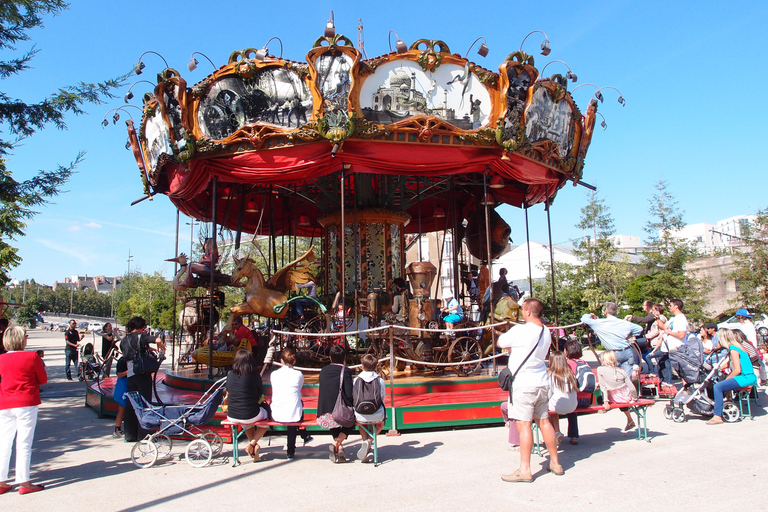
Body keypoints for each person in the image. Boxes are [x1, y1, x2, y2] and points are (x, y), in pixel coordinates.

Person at [497, 298, 562, 482]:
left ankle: (525, 469)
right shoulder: (546, 331)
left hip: (523, 384)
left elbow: (501, 342)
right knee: (544, 422)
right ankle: (555, 462)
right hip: (541, 381)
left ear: (526, 312)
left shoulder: (520, 330)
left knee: (524, 425)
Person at [0, 326, 47, 494]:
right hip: (26, 402)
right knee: (24, 442)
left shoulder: (1, 359)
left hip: (5, 402)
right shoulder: (32, 356)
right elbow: (42, 379)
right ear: (22, 340)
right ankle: (24, 481)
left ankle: (2, 479)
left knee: (4, 442)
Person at [120, 316, 166, 443]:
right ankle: (143, 435)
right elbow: (156, 339)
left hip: (130, 375)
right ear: (141, 327)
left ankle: (129, 435)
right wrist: (160, 345)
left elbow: (127, 353)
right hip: (142, 374)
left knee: (131, 404)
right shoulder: (141, 336)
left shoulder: (124, 340)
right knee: (145, 404)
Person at [226, 349, 270, 461]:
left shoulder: (230, 374)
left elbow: (228, 390)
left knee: (247, 421)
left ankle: (254, 452)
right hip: (249, 413)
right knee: (266, 419)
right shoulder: (254, 376)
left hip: (232, 413)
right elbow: (260, 393)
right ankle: (252, 443)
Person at [706, 329, 757, 425]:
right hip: (748, 376)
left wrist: (727, 379)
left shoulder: (733, 349)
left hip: (746, 377)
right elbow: (728, 364)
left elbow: (737, 370)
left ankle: (717, 416)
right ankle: (726, 403)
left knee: (718, 386)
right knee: (723, 384)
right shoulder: (738, 347)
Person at [269, 346, 311, 460]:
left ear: (281, 361)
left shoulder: (274, 374)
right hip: (293, 413)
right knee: (295, 407)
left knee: (294, 405)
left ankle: (303, 435)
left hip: (277, 413)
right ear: (294, 361)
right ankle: (291, 450)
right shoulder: (298, 374)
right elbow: (299, 387)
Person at [581, 302, 643, 377]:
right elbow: (639, 329)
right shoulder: (623, 323)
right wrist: (629, 335)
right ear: (616, 312)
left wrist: (590, 315)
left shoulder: (598, 323)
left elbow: (584, 318)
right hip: (626, 352)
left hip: (613, 354)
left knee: (609, 377)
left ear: (606, 312)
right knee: (627, 379)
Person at [317, 345, 354, 463]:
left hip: (324, 414)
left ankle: (339, 446)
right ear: (344, 358)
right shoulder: (346, 371)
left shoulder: (323, 371)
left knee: (333, 420)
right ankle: (337, 442)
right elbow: (349, 394)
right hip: (339, 412)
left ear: (330, 358)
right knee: (352, 419)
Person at [354, 353, 386, 463]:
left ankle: (365, 442)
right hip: (376, 413)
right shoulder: (380, 381)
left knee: (361, 421)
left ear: (361, 367)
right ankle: (369, 441)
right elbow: (382, 398)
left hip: (360, 414)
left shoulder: (356, 380)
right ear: (376, 367)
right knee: (382, 422)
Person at [596, 350, 637, 431]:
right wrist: (634, 398)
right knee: (621, 400)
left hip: (615, 397)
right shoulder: (621, 371)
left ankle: (630, 420)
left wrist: (605, 402)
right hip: (626, 397)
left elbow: (603, 387)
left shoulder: (600, 369)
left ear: (603, 360)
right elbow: (631, 387)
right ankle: (630, 419)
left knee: (599, 399)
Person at [564, 341, 594, 445]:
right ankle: (574, 436)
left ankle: (554, 434)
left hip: (575, 400)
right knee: (572, 408)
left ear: (567, 351)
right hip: (586, 400)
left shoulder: (568, 364)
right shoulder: (585, 363)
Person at [546, 351, 577, 448]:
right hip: (572, 405)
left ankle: (555, 432)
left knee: (545, 409)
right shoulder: (570, 373)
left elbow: (549, 393)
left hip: (558, 405)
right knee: (555, 405)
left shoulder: (551, 375)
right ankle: (557, 432)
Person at [656, 298, 688, 384]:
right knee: (679, 371)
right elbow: (663, 327)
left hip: (679, 348)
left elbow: (682, 335)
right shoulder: (673, 318)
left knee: (682, 371)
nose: (669, 307)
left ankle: (686, 391)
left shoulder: (681, 318)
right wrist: (657, 317)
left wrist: (669, 332)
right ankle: (685, 390)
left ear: (676, 306)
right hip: (672, 349)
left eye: (670, 305)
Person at [112, 355, 128, 438]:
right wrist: (129, 371)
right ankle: (117, 429)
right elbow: (119, 374)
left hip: (128, 384)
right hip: (123, 386)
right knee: (122, 409)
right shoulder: (122, 360)